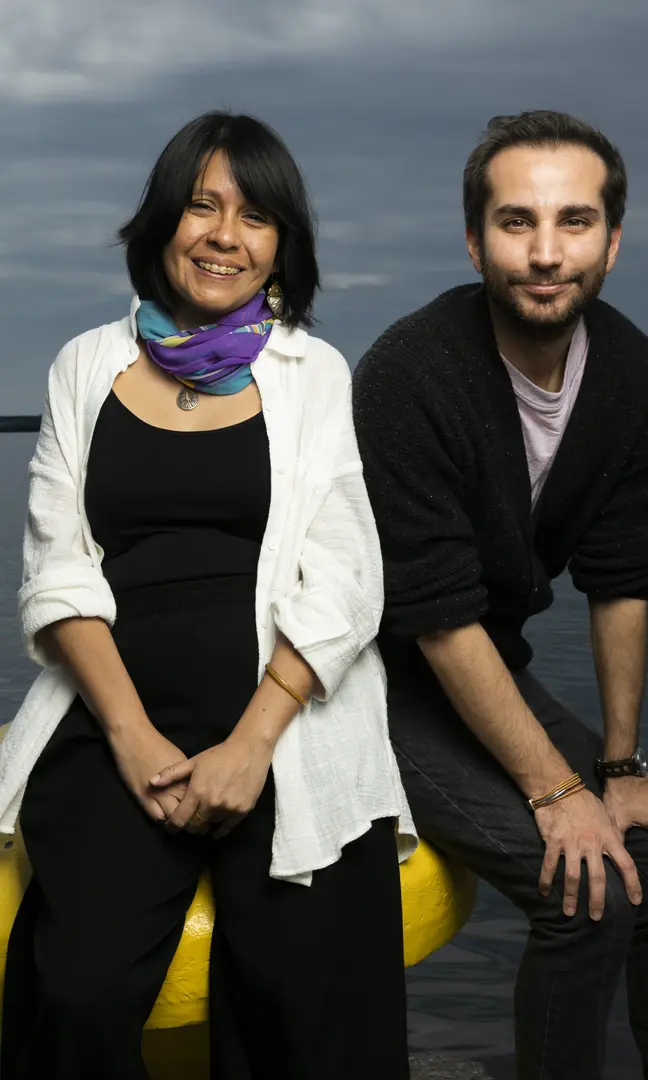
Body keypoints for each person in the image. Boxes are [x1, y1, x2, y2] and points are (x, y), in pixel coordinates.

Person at [0, 110, 416, 1080]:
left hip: (286, 719)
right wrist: (133, 738)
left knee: (299, 1001)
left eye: (256, 216)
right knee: (74, 990)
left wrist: (251, 744)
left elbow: (348, 576)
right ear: (163, 221)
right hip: (114, 719)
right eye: (203, 206)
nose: (226, 235)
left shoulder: (314, 373)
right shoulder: (84, 365)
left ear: (281, 246)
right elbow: (58, 567)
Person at [353, 109, 648, 1080]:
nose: (547, 253)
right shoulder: (408, 371)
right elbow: (435, 615)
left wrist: (622, 766)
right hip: (368, 683)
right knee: (580, 891)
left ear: (613, 240)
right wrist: (558, 792)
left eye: (575, 221)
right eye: (517, 222)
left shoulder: (638, 376)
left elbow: (623, 578)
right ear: (476, 241)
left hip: (485, 666)